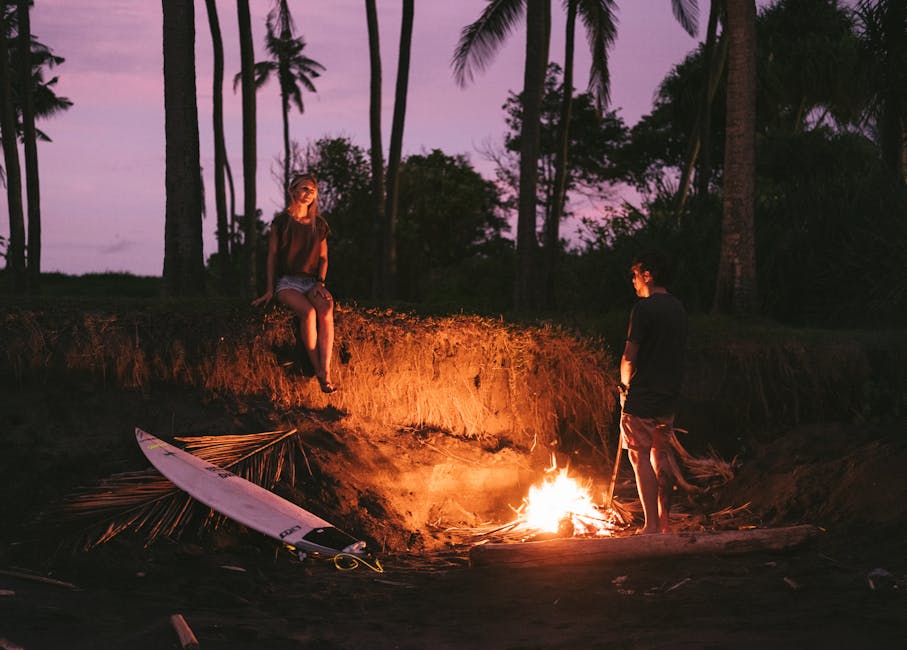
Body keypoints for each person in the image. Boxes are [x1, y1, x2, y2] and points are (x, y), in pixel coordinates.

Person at [618, 250, 687, 534]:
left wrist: (624, 387)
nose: (633, 283)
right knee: (662, 454)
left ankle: (650, 527)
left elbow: (629, 357)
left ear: (648, 275)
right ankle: (665, 524)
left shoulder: (643, 309)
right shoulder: (679, 308)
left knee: (639, 456)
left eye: (635, 276)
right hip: (668, 396)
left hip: (643, 396)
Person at [253, 173, 337, 393]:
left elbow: (324, 258)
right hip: (287, 282)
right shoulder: (281, 223)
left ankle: (326, 370)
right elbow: (271, 256)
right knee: (308, 313)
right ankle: (319, 370)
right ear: (292, 191)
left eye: (313, 190)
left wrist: (320, 282)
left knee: (326, 310)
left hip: (312, 282)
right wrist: (270, 289)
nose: (309, 193)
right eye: (304, 189)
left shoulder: (319, 224)